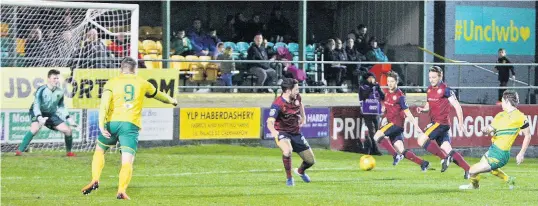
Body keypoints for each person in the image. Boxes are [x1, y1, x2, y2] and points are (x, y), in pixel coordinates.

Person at [80, 57, 178, 200]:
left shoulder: (112, 82)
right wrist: (172, 100)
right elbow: (159, 95)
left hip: (112, 123)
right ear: (135, 69)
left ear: (121, 68)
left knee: (100, 150)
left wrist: (101, 125)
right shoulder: (142, 83)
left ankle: (95, 178)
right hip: (130, 125)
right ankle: (121, 190)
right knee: (127, 160)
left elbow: (104, 104)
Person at [459, 90, 532, 190]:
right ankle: (509, 180)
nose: (501, 103)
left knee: (472, 170)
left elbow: (528, 135)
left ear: (506, 101)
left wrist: (521, 153)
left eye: (502, 100)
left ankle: (474, 186)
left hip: (501, 155)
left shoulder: (520, 117)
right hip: (493, 149)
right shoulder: (500, 115)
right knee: (491, 170)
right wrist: (485, 130)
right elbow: (490, 129)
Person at [416, 66, 471, 179]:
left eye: (434, 77)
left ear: (440, 76)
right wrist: (423, 109)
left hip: (440, 123)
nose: (431, 79)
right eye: (430, 77)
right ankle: (468, 169)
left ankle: (444, 158)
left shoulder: (446, 90)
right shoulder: (429, 89)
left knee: (421, 139)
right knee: (448, 149)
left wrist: (461, 123)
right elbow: (428, 105)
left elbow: (457, 107)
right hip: (438, 124)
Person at [374, 71, 430, 171]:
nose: (389, 84)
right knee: (402, 150)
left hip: (395, 124)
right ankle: (422, 163)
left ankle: (395, 155)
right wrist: (384, 117)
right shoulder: (387, 94)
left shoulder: (400, 96)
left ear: (396, 82)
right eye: (388, 81)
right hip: (393, 124)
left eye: (392, 81)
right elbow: (388, 110)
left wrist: (416, 126)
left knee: (377, 136)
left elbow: (407, 112)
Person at [15, 69, 78, 156]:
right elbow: (36, 106)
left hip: (50, 114)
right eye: (54, 78)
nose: (56, 80)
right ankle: (19, 151)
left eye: (57, 78)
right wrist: (39, 117)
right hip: (36, 112)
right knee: (35, 129)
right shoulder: (41, 90)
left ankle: (69, 152)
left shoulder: (60, 91)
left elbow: (61, 106)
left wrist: (68, 118)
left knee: (68, 131)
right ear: (48, 79)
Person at [266, 78, 316, 186]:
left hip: (296, 132)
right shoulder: (278, 104)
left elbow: (300, 105)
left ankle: (300, 171)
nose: (298, 91)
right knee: (287, 151)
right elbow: (270, 121)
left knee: (310, 161)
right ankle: (289, 178)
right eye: (296, 89)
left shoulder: (297, 97)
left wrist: (303, 117)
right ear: (288, 91)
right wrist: (274, 132)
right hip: (282, 132)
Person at [359, 72, 385, 155]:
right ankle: (374, 149)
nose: (372, 79)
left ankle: (373, 147)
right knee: (372, 131)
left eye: (373, 78)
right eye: (371, 78)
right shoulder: (363, 86)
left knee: (377, 131)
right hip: (366, 112)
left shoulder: (376, 87)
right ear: (367, 79)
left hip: (375, 112)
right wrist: (372, 87)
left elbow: (383, 97)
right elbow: (364, 96)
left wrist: (379, 89)